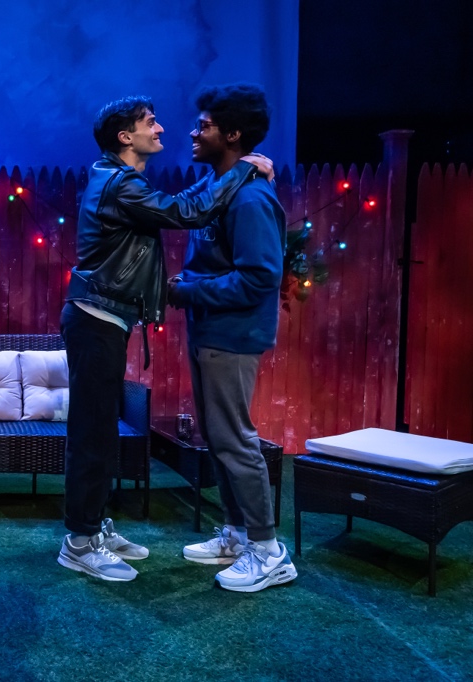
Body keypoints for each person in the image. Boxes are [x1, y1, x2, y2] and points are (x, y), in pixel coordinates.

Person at [58, 96, 274, 582]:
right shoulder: (119, 184)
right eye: (150, 123)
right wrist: (242, 169)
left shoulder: (120, 179)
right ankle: (79, 541)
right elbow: (188, 211)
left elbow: (185, 203)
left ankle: (93, 526)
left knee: (101, 432)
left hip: (106, 318)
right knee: (92, 434)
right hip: (96, 318)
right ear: (125, 136)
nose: (161, 129)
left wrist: (230, 174)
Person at [169, 84, 296, 592]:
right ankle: (237, 533)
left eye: (204, 126)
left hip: (233, 334)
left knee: (234, 438)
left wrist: (187, 290)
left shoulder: (250, 198)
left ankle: (268, 551)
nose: (193, 133)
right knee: (217, 437)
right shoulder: (220, 188)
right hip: (210, 328)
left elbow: (260, 278)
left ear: (233, 134)